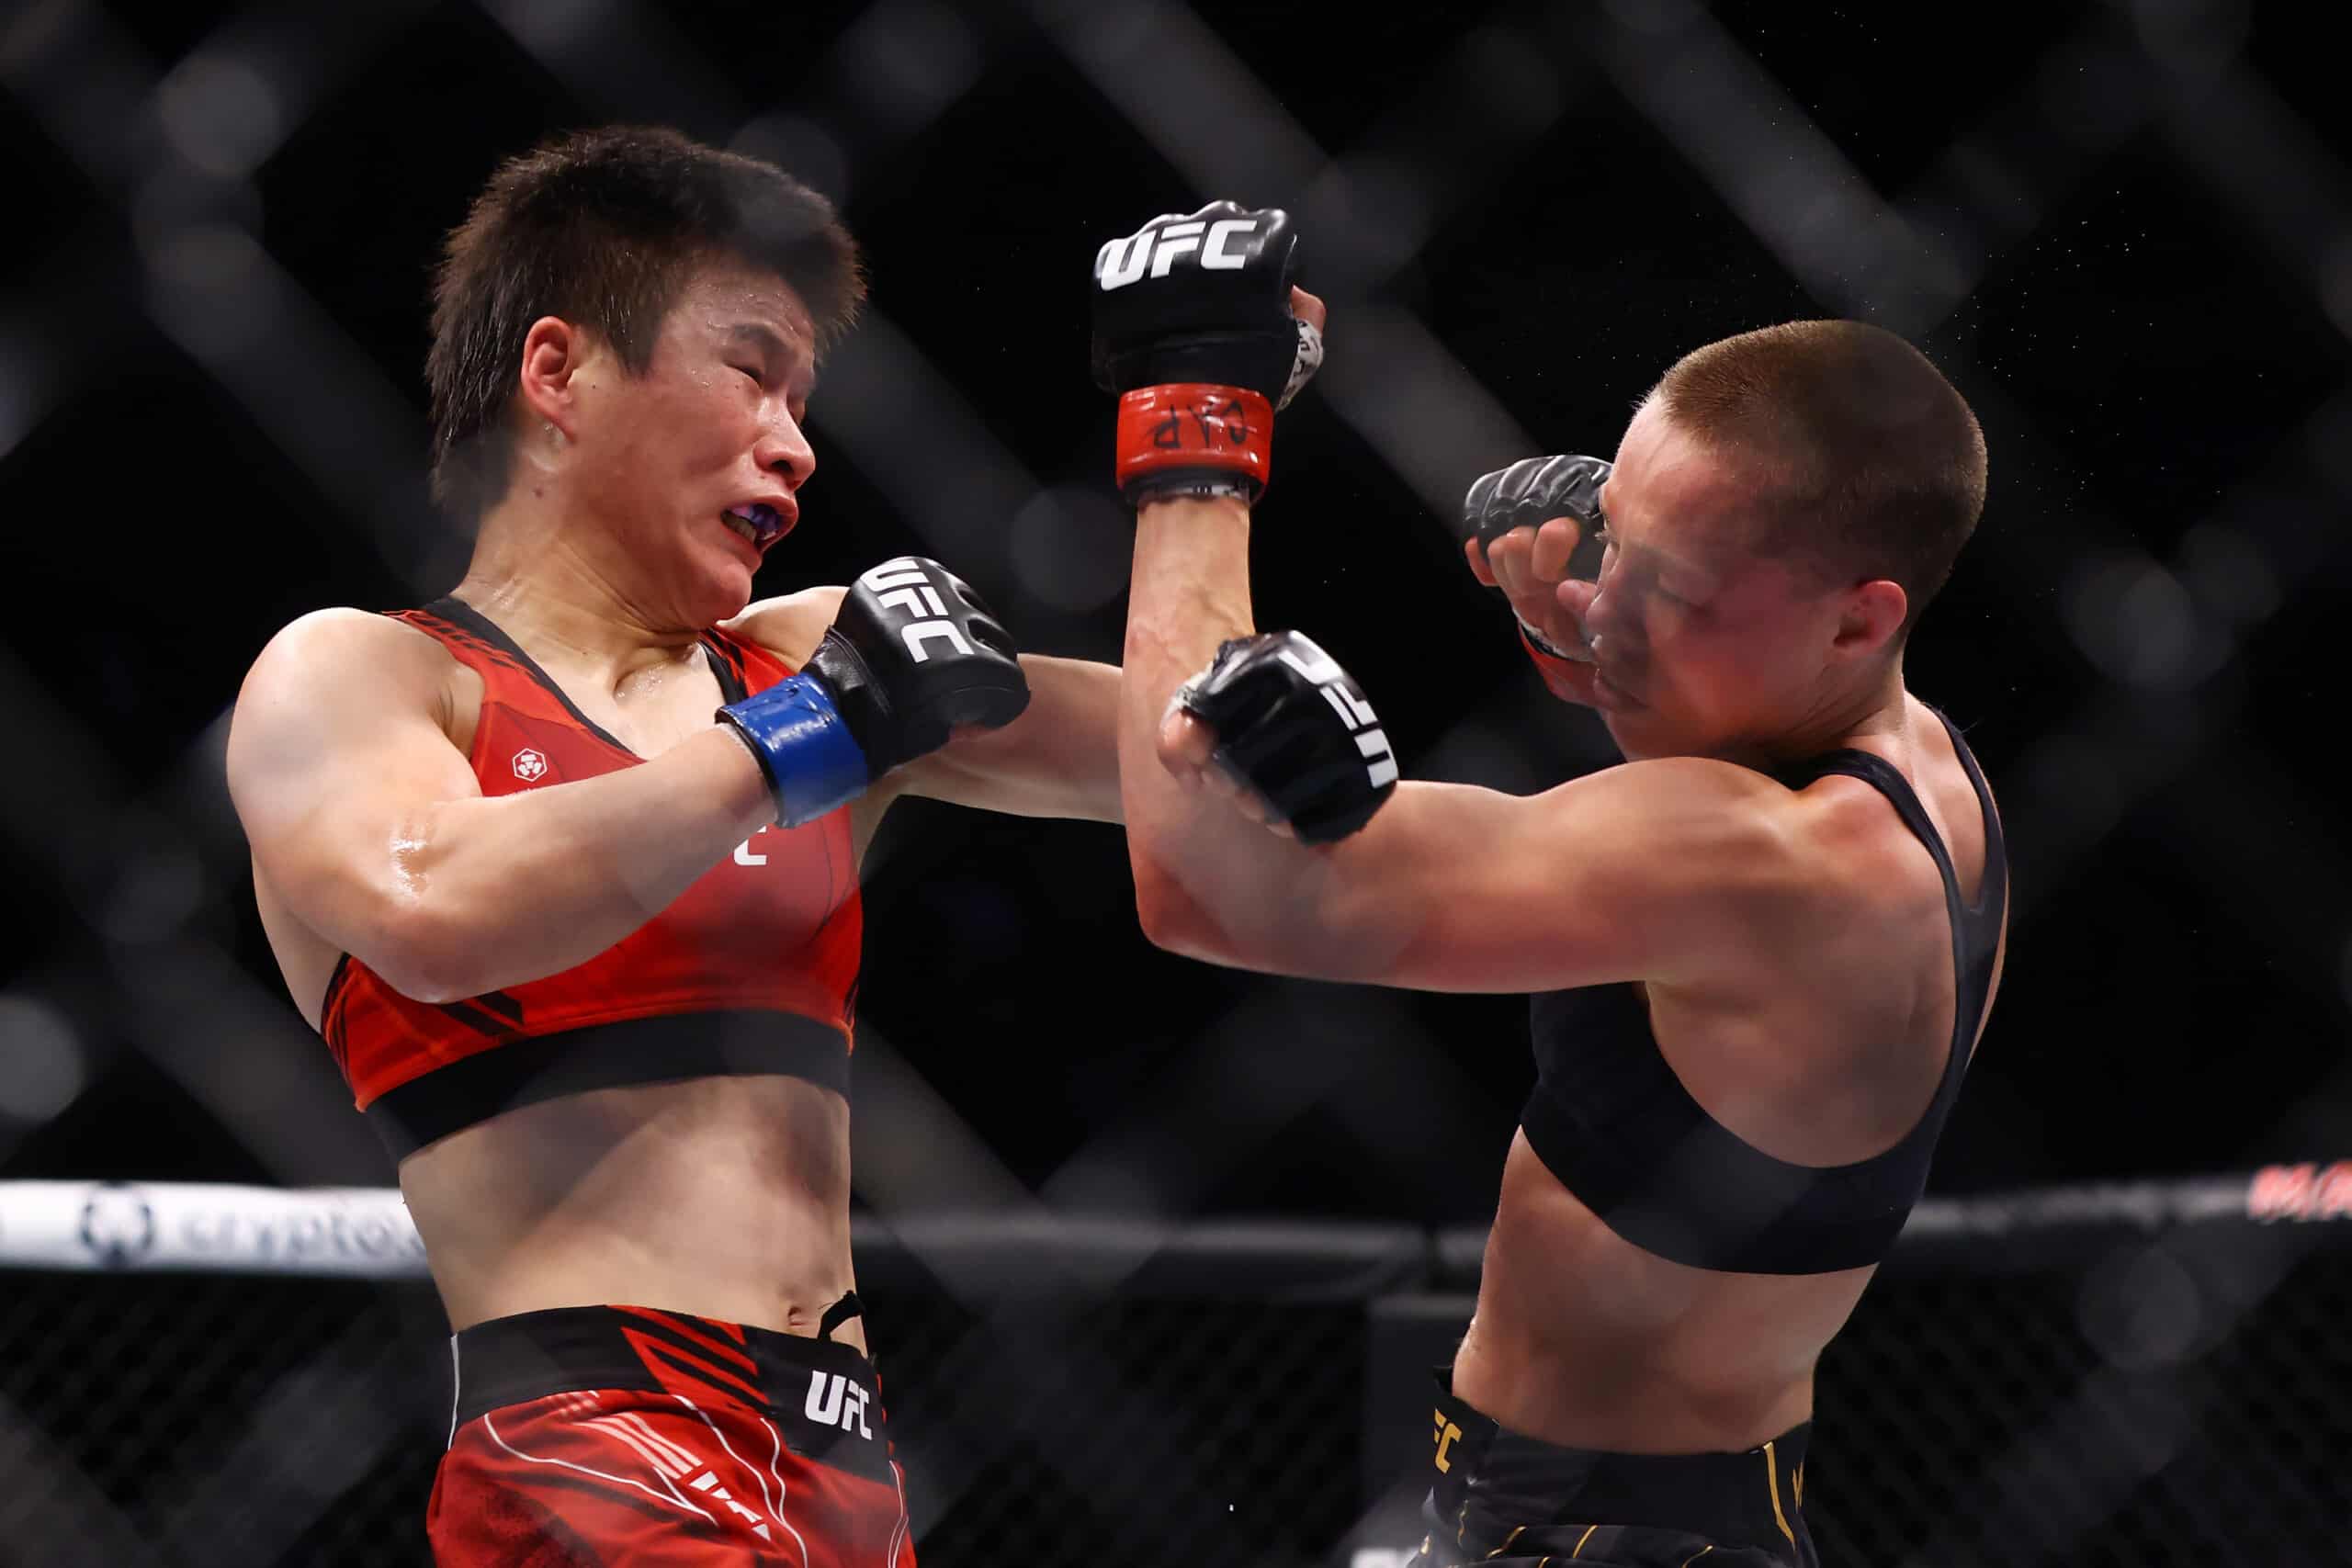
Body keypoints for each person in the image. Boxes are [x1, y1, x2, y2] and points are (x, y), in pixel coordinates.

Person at [226, 126, 1122, 1565]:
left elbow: (1212, 779)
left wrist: (1197, 444)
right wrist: (798, 741)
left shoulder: (804, 657)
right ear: (558, 373)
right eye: (750, 371)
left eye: (802, 398)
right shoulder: (372, 678)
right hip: (592, 1456)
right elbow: (434, 907)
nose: (796, 442)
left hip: (849, 1476)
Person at [1091, 204, 2007, 1567]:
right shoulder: (1922, 772)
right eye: (1613, 540)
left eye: (1674, 589)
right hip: (1599, 1513)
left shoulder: (1792, 861)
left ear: (1858, 618)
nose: (1597, 604)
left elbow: (1212, 887)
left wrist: (1194, 438)